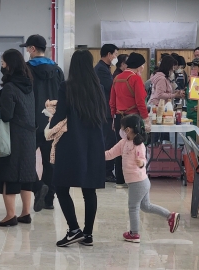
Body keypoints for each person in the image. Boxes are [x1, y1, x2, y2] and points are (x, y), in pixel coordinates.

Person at [48, 49, 107, 247]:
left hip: (71, 143)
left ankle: (74, 230)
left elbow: (60, 116)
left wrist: (50, 118)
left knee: (61, 185)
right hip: (94, 143)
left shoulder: (66, 87)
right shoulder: (97, 87)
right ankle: (88, 234)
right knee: (89, 190)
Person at [105, 115, 178, 243]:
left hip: (138, 182)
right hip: (141, 182)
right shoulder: (123, 143)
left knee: (133, 207)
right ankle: (170, 216)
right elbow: (110, 154)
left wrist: (141, 163)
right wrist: (97, 155)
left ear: (128, 130)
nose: (120, 130)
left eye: (122, 128)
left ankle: (134, 234)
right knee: (146, 206)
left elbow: (143, 159)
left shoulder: (138, 145)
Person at [0, 49, 37, 227]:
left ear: (10, 65)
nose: (1, 66)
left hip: (12, 137)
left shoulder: (10, 87)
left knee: (8, 175)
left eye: (3, 63)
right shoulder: (29, 85)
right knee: (25, 176)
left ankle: (10, 215)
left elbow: (7, 114)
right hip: (28, 136)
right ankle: (26, 213)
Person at [20, 34, 64, 212]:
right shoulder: (58, 70)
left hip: (29, 123)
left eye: (27, 48)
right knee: (50, 161)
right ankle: (49, 199)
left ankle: (38, 187)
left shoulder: (25, 70)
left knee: (24, 161)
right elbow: (63, 97)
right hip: (51, 123)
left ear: (32, 49)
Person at [110, 52, 150, 188]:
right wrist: (146, 119)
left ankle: (120, 181)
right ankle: (133, 179)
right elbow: (140, 102)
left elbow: (112, 101)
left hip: (119, 118)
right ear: (138, 66)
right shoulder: (135, 79)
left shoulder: (117, 78)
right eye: (142, 65)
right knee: (134, 148)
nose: (143, 68)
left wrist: (113, 118)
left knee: (120, 148)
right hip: (133, 119)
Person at [94, 43, 118, 183]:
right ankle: (106, 172)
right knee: (108, 141)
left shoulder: (105, 68)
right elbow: (111, 87)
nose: (115, 57)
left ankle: (106, 171)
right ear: (109, 54)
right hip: (105, 111)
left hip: (106, 111)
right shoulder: (101, 70)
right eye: (115, 54)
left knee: (108, 141)